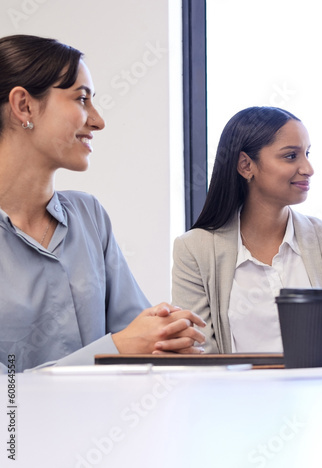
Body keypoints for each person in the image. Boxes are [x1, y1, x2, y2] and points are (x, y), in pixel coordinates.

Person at [0, 35, 205, 372]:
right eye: (82, 99)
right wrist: (116, 349)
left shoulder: (89, 216)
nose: (98, 121)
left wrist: (168, 335)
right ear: (24, 106)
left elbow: (140, 336)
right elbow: (8, 395)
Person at [172, 106, 322, 353]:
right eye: (291, 156)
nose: (308, 168)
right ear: (246, 165)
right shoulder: (194, 249)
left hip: (321, 381)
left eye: (307, 153)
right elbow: (200, 356)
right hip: (229, 382)